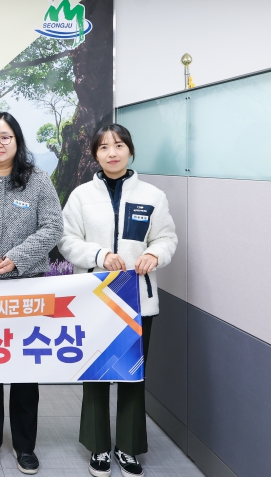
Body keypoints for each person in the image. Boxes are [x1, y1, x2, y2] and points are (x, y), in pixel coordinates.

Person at [57, 124, 177, 477]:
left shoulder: (153, 195)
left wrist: (154, 254)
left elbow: (166, 238)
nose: (112, 152)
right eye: (104, 147)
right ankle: (98, 447)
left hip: (137, 299)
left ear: (130, 150)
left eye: (119, 145)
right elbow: (66, 240)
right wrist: (100, 255)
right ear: (95, 154)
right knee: (96, 374)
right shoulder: (80, 196)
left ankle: (127, 447)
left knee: (132, 376)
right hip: (95, 297)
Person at [0, 112, 63, 475]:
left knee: (24, 369)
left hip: (26, 286)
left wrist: (17, 257)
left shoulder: (37, 180)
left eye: (5, 137)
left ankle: (24, 446)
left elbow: (54, 227)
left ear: (17, 141)